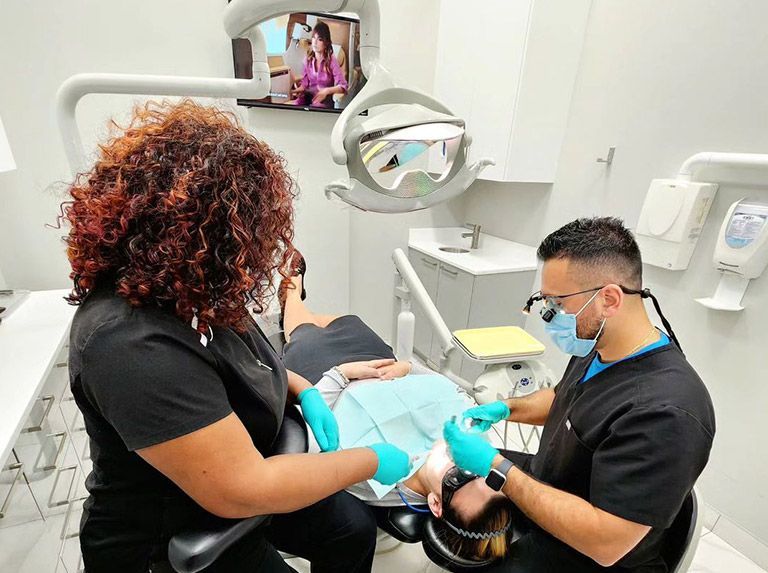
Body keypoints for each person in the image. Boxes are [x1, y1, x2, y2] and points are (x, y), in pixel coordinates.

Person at [63, 100, 411, 573]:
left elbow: (245, 362)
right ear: (206, 234)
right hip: (178, 530)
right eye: (257, 234)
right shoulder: (129, 344)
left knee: (350, 529)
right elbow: (242, 488)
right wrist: (370, 459)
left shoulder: (192, 287)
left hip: (250, 463)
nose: (264, 251)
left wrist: (302, 388)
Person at [442, 217, 716, 573]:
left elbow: (606, 543)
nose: (548, 314)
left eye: (557, 303)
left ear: (609, 299)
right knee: (453, 472)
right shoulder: (599, 345)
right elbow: (565, 398)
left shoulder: (667, 413)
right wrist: (504, 409)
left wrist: (498, 469)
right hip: (558, 486)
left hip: (589, 552)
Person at [277, 263, 515, 563]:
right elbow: (448, 389)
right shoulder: (473, 436)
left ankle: (292, 292)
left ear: (435, 504)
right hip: (382, 362)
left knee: (304, 330)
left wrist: (340, 374)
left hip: (327, 373)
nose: (464, 464)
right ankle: (297, 299)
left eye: (458, 479)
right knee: (346, 321)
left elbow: (313, 433)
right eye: (481, 472)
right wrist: (409, 366)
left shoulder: (376, 480)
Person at [288, 22, 348, 109]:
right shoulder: (307, 60)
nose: (315, 42)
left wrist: (326, 91)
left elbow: (343, 86)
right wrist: (295, 91)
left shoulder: (331, 61)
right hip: (307, 101)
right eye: (313, 38)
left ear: (326, 42)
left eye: (319, 39)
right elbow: (304, 85)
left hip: (323, 105)